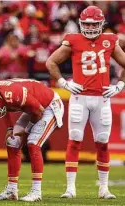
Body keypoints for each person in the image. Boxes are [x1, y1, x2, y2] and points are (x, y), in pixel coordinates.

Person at [46, 6, 125, 199]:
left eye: (93, 24)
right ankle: (71, 188)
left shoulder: (110, 40)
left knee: (102, 143)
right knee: (74, 140)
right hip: (80, 98)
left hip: (102, 98)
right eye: (87, 24)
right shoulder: (73, 40)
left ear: (101, 24)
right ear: (81, 24)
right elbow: (51, 62)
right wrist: (63, 82)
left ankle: (104, 189)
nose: (89, 28)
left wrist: (120, 84)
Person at [0, 78, 64, 202]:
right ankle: (11, 190)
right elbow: (4, 107)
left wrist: (26, 131)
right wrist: (10, 128)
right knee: (12, 142)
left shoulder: (14, 94)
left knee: (33, 143)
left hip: (48, 106)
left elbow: (39, 111)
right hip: (33, 106)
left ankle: (36, 192)